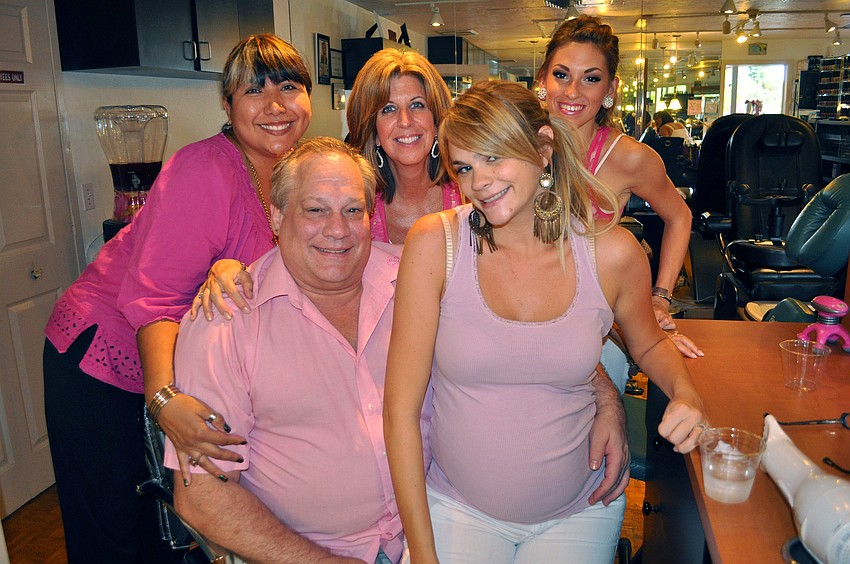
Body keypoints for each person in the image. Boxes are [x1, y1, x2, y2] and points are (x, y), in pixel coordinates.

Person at [383, 81, 707, 563]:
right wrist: (425, 554)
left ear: (543, 148)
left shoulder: (612, 253)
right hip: (456, 507)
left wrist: (686, 392)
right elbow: (400, 411)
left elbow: (649, 344)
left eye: (494, 157)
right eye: (465, 167)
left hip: (579, 511)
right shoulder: (435, 244)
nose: (479, 181)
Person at [42, 34, 312, 562]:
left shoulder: (292, 172)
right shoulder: (205, 168)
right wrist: (163, 398)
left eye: (288, 87)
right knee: (118, 533)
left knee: (174, 536)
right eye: (253, 91)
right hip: (105, 355)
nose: (275, 105)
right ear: (227, 105)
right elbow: (155, 297)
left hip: (180, 362)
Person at [166, 137, 400, 563]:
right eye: (316, 210)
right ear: (276, 215)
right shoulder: (226, 321)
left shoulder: (415, 282)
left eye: (353, 210)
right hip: (306, 553)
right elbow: (202, 494)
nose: (338, 229)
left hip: (439, 531)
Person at [535, 15, 701, 358]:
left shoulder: (630, 158)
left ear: (610, 90)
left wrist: (659, 299)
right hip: (518, 317)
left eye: (591, 78)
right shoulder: (514, 145)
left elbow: (680, 217)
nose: (572, 91)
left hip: (596, 332)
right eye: (561, 75)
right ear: (542, 79)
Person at [346, 49, 462, 244]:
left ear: (436, 121)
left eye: (417, 105)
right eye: (389, 109)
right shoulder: (356, 207)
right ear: (373, 132)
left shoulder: (469, 195)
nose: (405, 121)